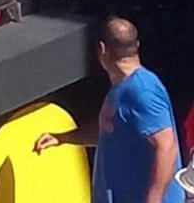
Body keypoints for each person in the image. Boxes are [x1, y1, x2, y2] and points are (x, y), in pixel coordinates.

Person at [35, 18, 184, 203]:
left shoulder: (142, 91)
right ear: (137, 45)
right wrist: (63, 138)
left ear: (102, 49)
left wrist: (153, 200)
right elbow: (110, 132)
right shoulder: (122, 88)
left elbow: (167, 147)